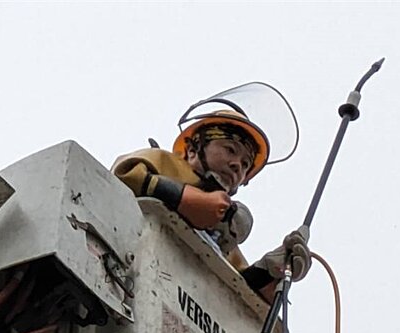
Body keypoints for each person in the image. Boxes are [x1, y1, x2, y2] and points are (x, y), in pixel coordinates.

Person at [113, 107, 309, 300]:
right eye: (230, 150)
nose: (237, 166)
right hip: (124, 276)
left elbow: (235, 284)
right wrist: (185, 199)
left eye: (245, 164)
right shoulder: (166, 164)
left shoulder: (222, 232)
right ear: (192, 149)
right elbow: (125, 174)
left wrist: (268, 271)